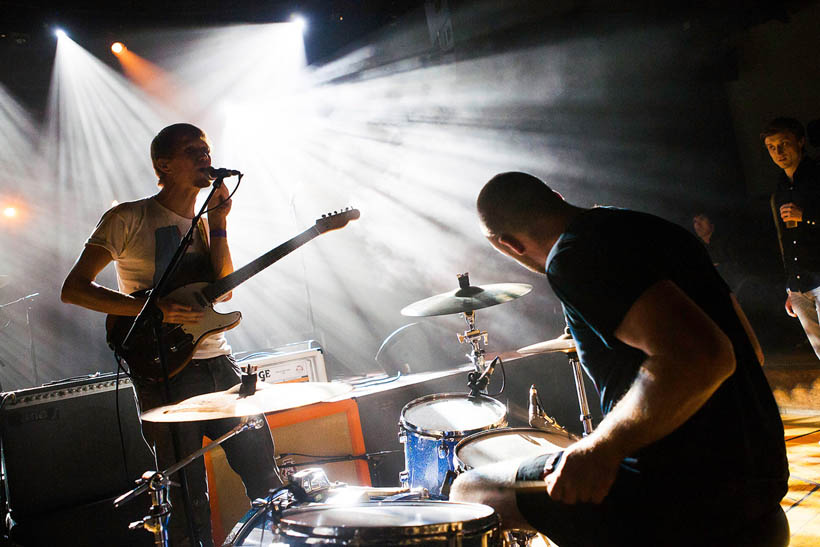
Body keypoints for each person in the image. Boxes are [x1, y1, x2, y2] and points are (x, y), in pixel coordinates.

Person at [450, 172, 789, 546]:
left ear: (509, 244)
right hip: (759, 480)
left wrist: (600, 449)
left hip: (679, 498)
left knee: (471, 490)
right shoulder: (650, 228)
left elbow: (705, 355)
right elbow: (748, 350)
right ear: (558, 197)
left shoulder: (573, 255)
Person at [61, 123, 281, 546]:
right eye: (192, 149)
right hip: (165, 370)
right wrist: (151, 307)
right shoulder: (128, 217)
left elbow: (225, 288)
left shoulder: (205, 219)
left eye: (206, 148)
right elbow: (74, 290)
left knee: (265, 479)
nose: (204, 154)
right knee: (185, 505)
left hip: (220, 362)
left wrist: (219, 223)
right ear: (163, 164)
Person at [762, 117, 820, 360]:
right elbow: (783, 238)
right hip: (798, 283)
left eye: (784, 144)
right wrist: (791, 285)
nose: (778, 152)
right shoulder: (780, 188)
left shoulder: (817, 176)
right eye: (772, 147)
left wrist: (806, 216)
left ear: (801, 142)